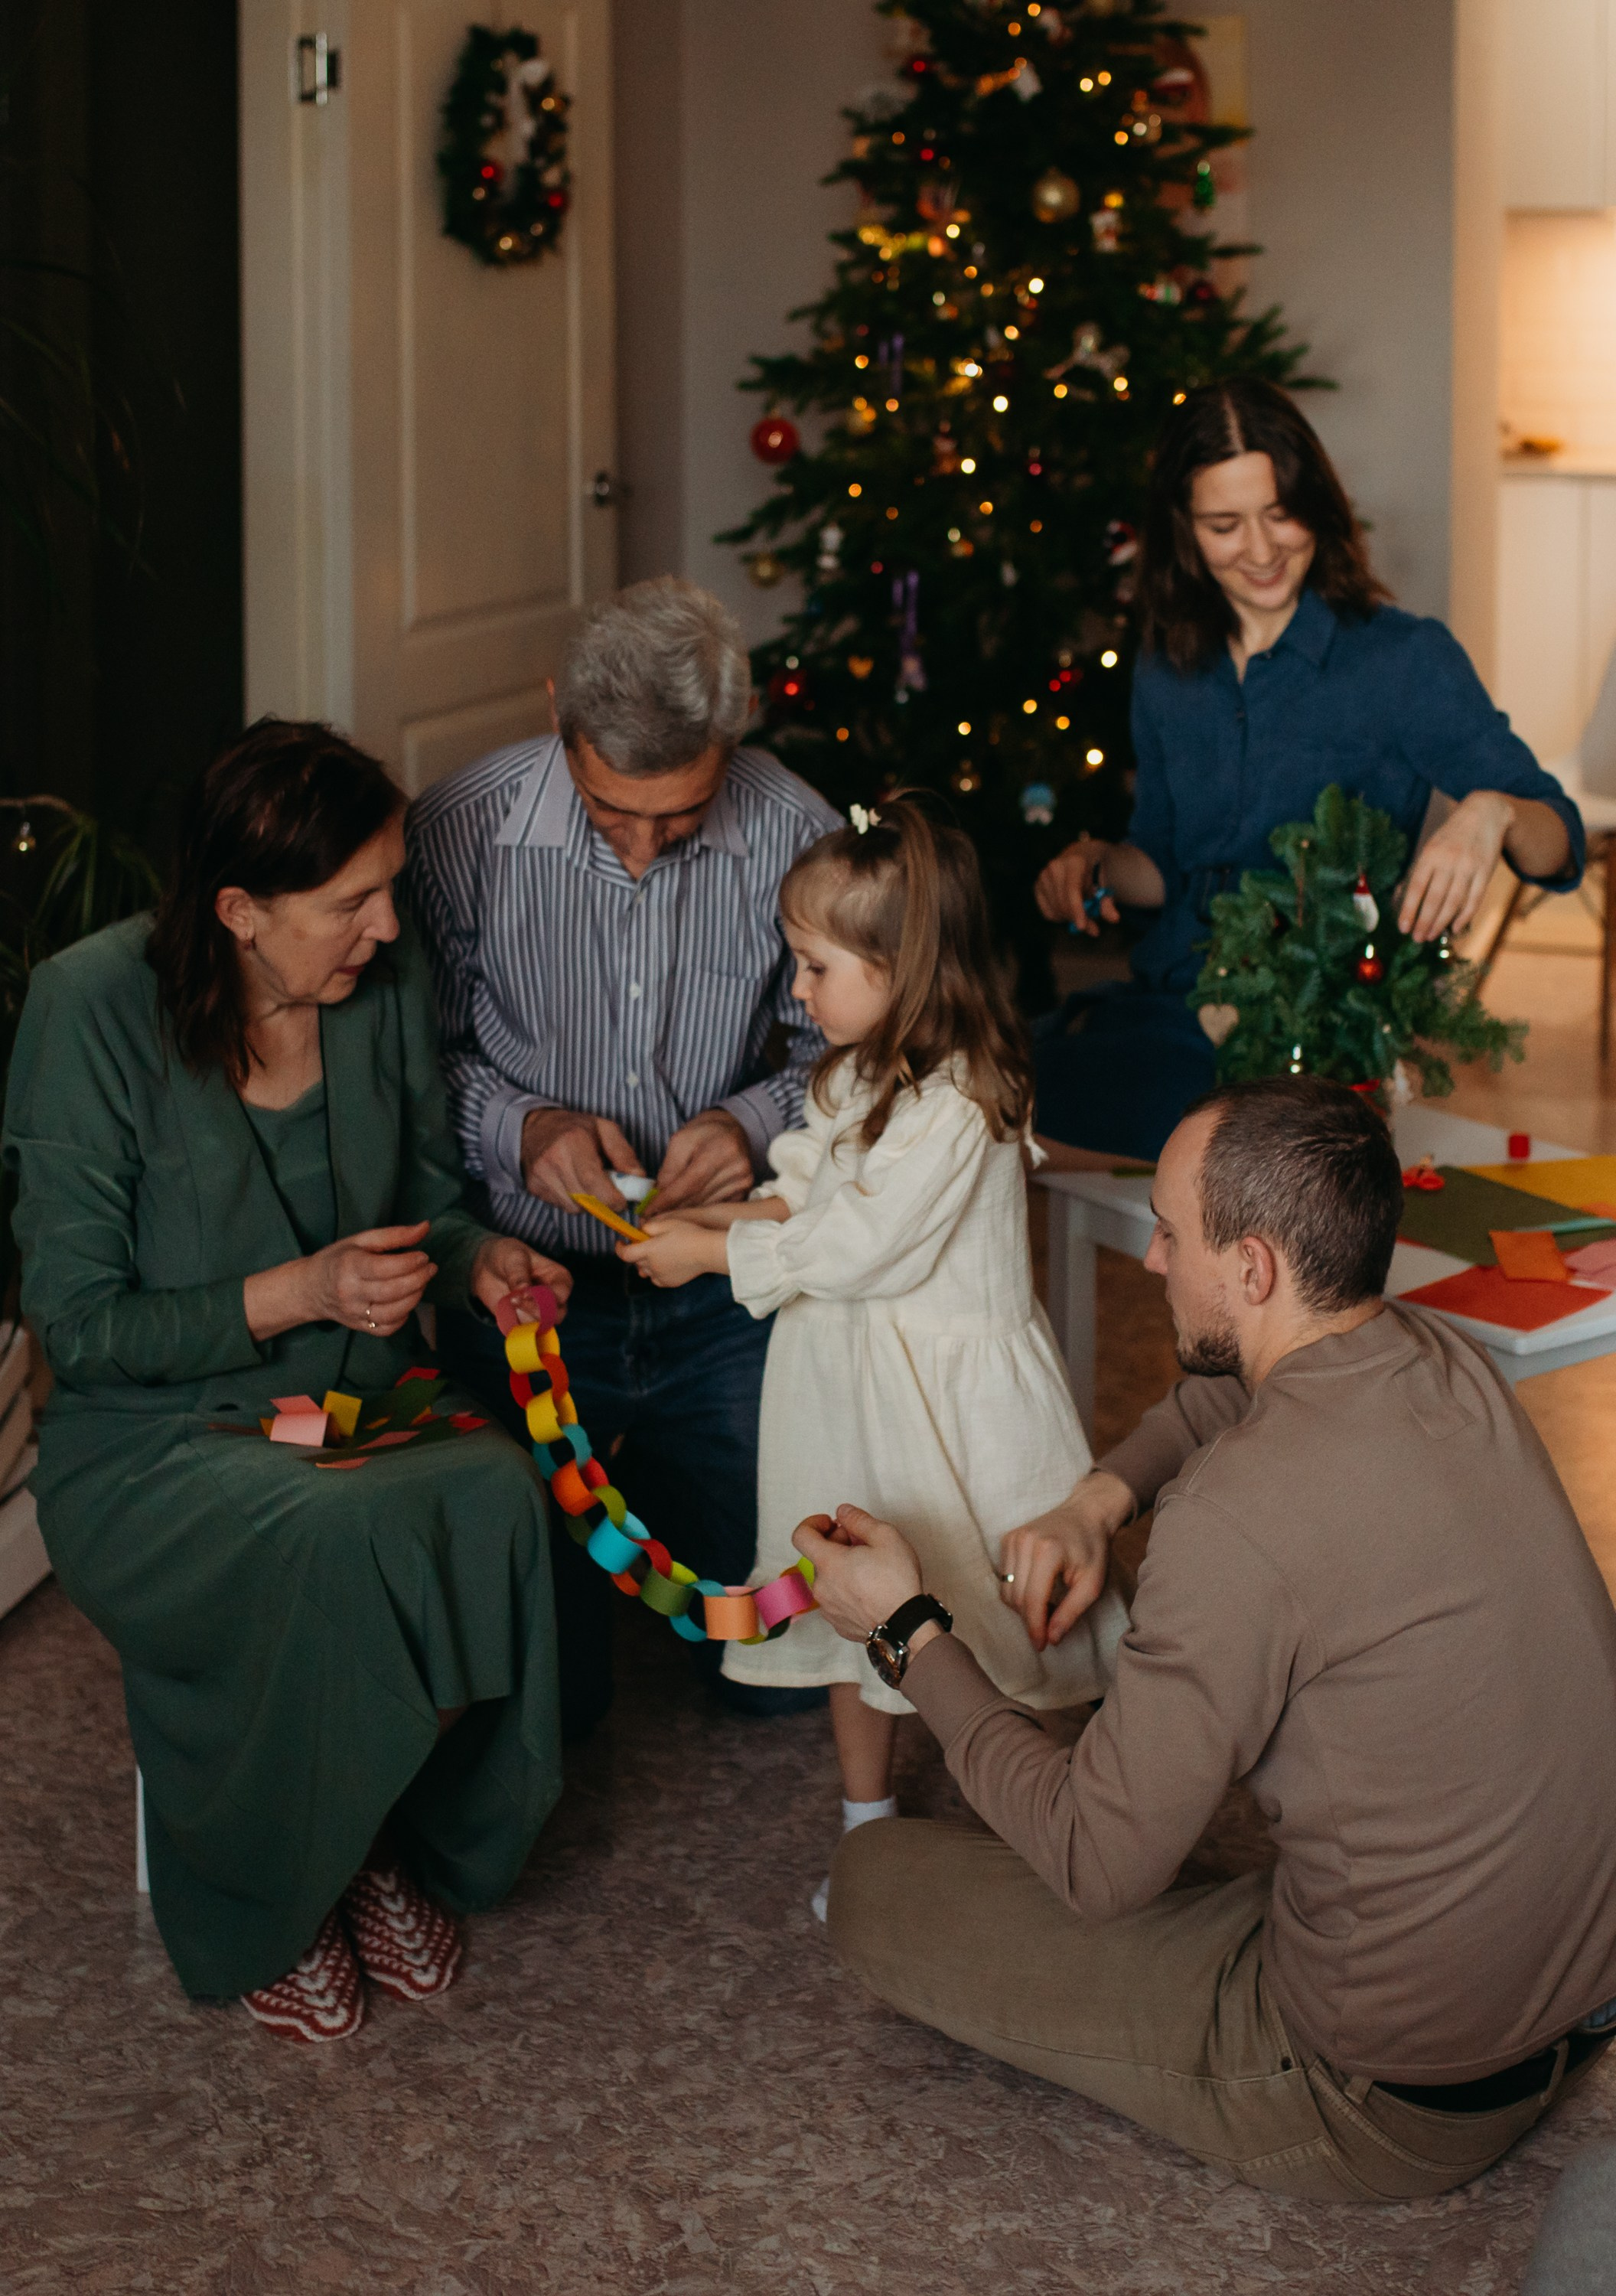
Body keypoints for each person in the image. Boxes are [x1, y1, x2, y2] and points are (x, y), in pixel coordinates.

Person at [797, 1076, 1616, 2200]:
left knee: (878, 1879)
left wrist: (906, 1628)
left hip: (1384, 2098)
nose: (1151, 1261)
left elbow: (1097, 1862)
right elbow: (1228, 1397)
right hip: (1566, 2002)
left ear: (1256, 1269)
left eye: (1171, 1235)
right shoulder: (1444, 1362)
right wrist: (1098, 1500)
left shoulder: (1235, 1519)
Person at [3, 720, 572, 2043]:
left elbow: (428, 1210)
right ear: (240, 911)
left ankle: (377, 1834)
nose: (386, 926)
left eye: (386, 887)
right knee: (333, 1528)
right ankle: (280, 1890)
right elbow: (78, 1329)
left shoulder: (379, 977)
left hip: (358, 1397)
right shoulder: (89, 1009)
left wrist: (481, 1262)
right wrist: (301, 1293)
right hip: (148, 1444)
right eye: (349, 903)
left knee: (496, 1488)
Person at [618, 799, 1127, 1919]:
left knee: (1003, 1629)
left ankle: (1059, 1833)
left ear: (899, 970)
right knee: (862, 1627)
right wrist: (723, 1218)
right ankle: (866, 1830)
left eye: (814, 967)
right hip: (849, 1394)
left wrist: (707, 1254)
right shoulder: (849, 1078)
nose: (795, 992)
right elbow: (807, 1193)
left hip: (953, 1411)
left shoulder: (966, 1103)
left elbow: (859, 1244)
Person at [406, 577, 841, 1733]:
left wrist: (750, 1122)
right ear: (558, 715)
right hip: (529, 1297)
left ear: (729, 739)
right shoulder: (459, 833)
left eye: (680, 820)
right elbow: (410, 1069)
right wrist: (524, 1127)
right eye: (611, 816)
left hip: (724, 1297)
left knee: (771, 1675)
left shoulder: (803, 836)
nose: (646, 850)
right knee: (542, 1701)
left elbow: (851, 1065)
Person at [1033, 377, 1585, 1161]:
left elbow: (1558, 839)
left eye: (1280, 514)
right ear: (1184, 532)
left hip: (1313, 1035)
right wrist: (1095, 865)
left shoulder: (1401, 659)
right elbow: (1162, 862)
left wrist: (1492, 810)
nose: (1260, 551)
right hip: (1170, 1005)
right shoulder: (1166, 666)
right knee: (975, 1079)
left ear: (1318, 504)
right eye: (1225, 525)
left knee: (1027, 1109)